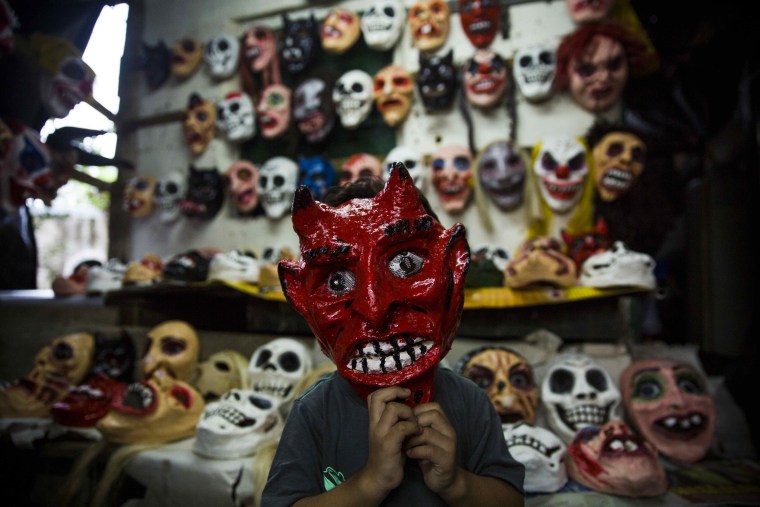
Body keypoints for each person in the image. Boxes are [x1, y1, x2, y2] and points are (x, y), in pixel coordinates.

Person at [262, 165, 525, 506]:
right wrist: (369, 483)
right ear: (302, 299)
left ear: (453, 265)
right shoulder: (315, 413)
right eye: (339, 282)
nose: (374, 309)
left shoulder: (470, 402)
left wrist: (457, 484)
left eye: (406, 264)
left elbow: (511, 500)